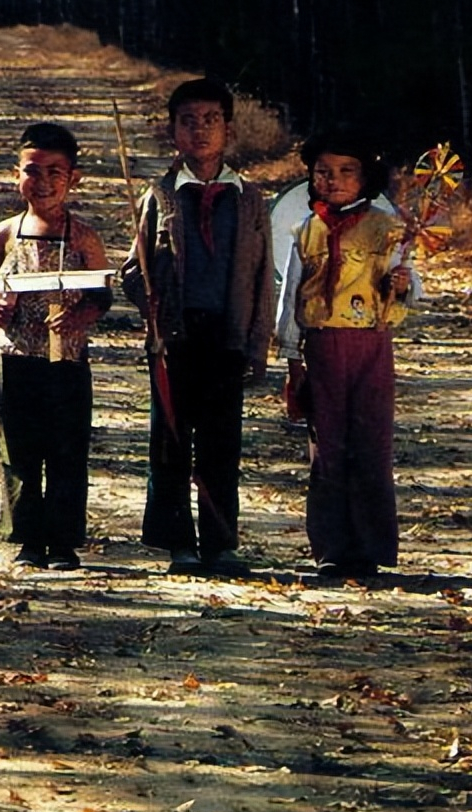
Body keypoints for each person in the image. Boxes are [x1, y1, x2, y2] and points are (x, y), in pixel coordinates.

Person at [120, 78, 276, 575]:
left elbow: (262, 274)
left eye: (211, 120)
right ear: (173, 131)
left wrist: (256, 344)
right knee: (170, 441)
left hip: (226, 338)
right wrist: (151, 305)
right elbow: (132, 270)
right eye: (189, 121)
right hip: (175, 337)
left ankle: (220, 543)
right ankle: (177, 542)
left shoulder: (249, 198)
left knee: (221, 442)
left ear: (228, 129)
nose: (200, 130)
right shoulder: (159, 196)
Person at [275, 126, 422, 578]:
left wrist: (403, 285)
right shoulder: (307, 232)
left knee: (371, 444)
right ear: (310, 178)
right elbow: (291, 295)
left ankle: (372, 547)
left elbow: (411, 289)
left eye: (345, 171)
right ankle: (332, 549)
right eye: (322, 172)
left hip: (371, 346)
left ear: (366, 177)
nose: (333, 181)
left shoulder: (388, 230)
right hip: (321, 348)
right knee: (328, 447)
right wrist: (290, 352)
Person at [0, 122, 113, 571]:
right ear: (17, 175)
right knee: (20, 449)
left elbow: (102, 295)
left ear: (74, 178)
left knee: (67, 451)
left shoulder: (84, 237)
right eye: (33, 171)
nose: (44, 182)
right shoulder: (7, 232)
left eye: (56, 171)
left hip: (66, 362)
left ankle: (63, 542)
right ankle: (28, 538)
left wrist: (79, 317)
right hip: (15, 359)